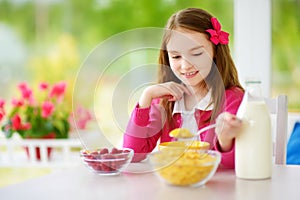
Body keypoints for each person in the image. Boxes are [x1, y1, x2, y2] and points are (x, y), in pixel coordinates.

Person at [123, 8, 244, 169]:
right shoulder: (164, 100)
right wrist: (147, 96)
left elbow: (231, 166)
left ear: (215, 51)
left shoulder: (232, 100)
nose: (186, 65)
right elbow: (133, 153)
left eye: (196, 54)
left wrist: (225, 140)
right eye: (176, 56)